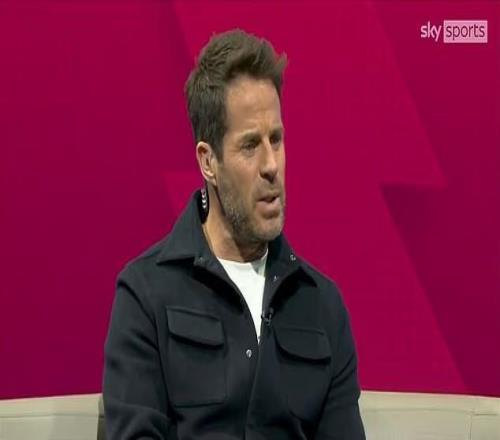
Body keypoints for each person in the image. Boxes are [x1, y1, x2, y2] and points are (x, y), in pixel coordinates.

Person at [103, 29, 365, 440]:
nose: (271, 165)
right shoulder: (145, 295)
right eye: (250, 145)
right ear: (208, 162)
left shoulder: (322, 306)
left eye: (276, 139)